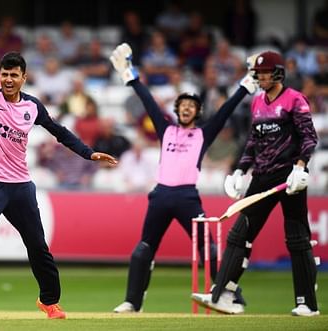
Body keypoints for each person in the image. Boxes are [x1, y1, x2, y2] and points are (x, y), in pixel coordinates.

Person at [0, 16, 117, 320]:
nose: (8, 79)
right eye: (4, 74)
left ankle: (49, 301)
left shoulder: (32, 106)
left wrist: (88, 154)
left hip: (21, 186)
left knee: (37, 246)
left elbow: (59, 131)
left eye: (14, 75)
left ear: (23, 77)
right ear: (0, 76)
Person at [109, 43, 256, 313]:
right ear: (177, 110)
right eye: (183, 105)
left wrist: (246, 85)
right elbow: (148, 102)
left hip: (188, 198)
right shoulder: (165, 130)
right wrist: (131, 76)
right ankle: (133, 302)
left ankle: (231, 297)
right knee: (143, 249)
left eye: (192, 106)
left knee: (209, 251)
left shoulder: (204, 133)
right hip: (161, 196)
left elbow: (225, 112)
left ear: (197, 112)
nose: (187, 109)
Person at [192, 51, 320, 316]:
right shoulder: (257, 102)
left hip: (289, 178)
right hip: (262, 176)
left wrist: (300, 166)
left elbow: (308, 137)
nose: (260, 78)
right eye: (258, 73)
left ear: (278, 74)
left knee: (297, 238)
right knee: (240, 234)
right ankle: (224, 295)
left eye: (265, 73)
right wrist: (240, 170)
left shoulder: (295, 99)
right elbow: (252, 141)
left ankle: (307, 303)